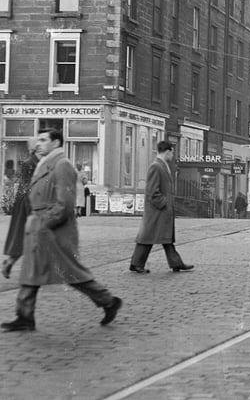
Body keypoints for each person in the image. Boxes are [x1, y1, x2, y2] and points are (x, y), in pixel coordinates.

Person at [1, 129, 121, 331]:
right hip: (39, 226)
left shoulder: (62, 165)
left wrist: (44, 223)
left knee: (70, 272)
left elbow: (65, 204)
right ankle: (24, 316)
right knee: (31, 272)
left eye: (43, 140)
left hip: (53, 230)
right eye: (37, 140)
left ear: (56, 143)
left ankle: (108, 301)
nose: (38, 144)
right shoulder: (45, 163)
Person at [129, 141, 193, 274]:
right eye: (172, 152)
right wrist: (164, 203)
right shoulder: (156, 166)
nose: (173, 155)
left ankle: (176, 263)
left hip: (161, 211)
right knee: (148, 238)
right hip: (157, 211)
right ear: (167, 151)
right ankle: (136, 264)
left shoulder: (162, 165)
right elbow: (152, 191)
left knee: (165, 239)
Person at [2, 139, 39, 279]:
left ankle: (10, 263)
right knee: (26, 237)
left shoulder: (39, 162)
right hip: (27, 204)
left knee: (26, 238)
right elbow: (24, 187)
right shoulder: (29, 163)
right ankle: (11, 264)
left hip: (31, 203)